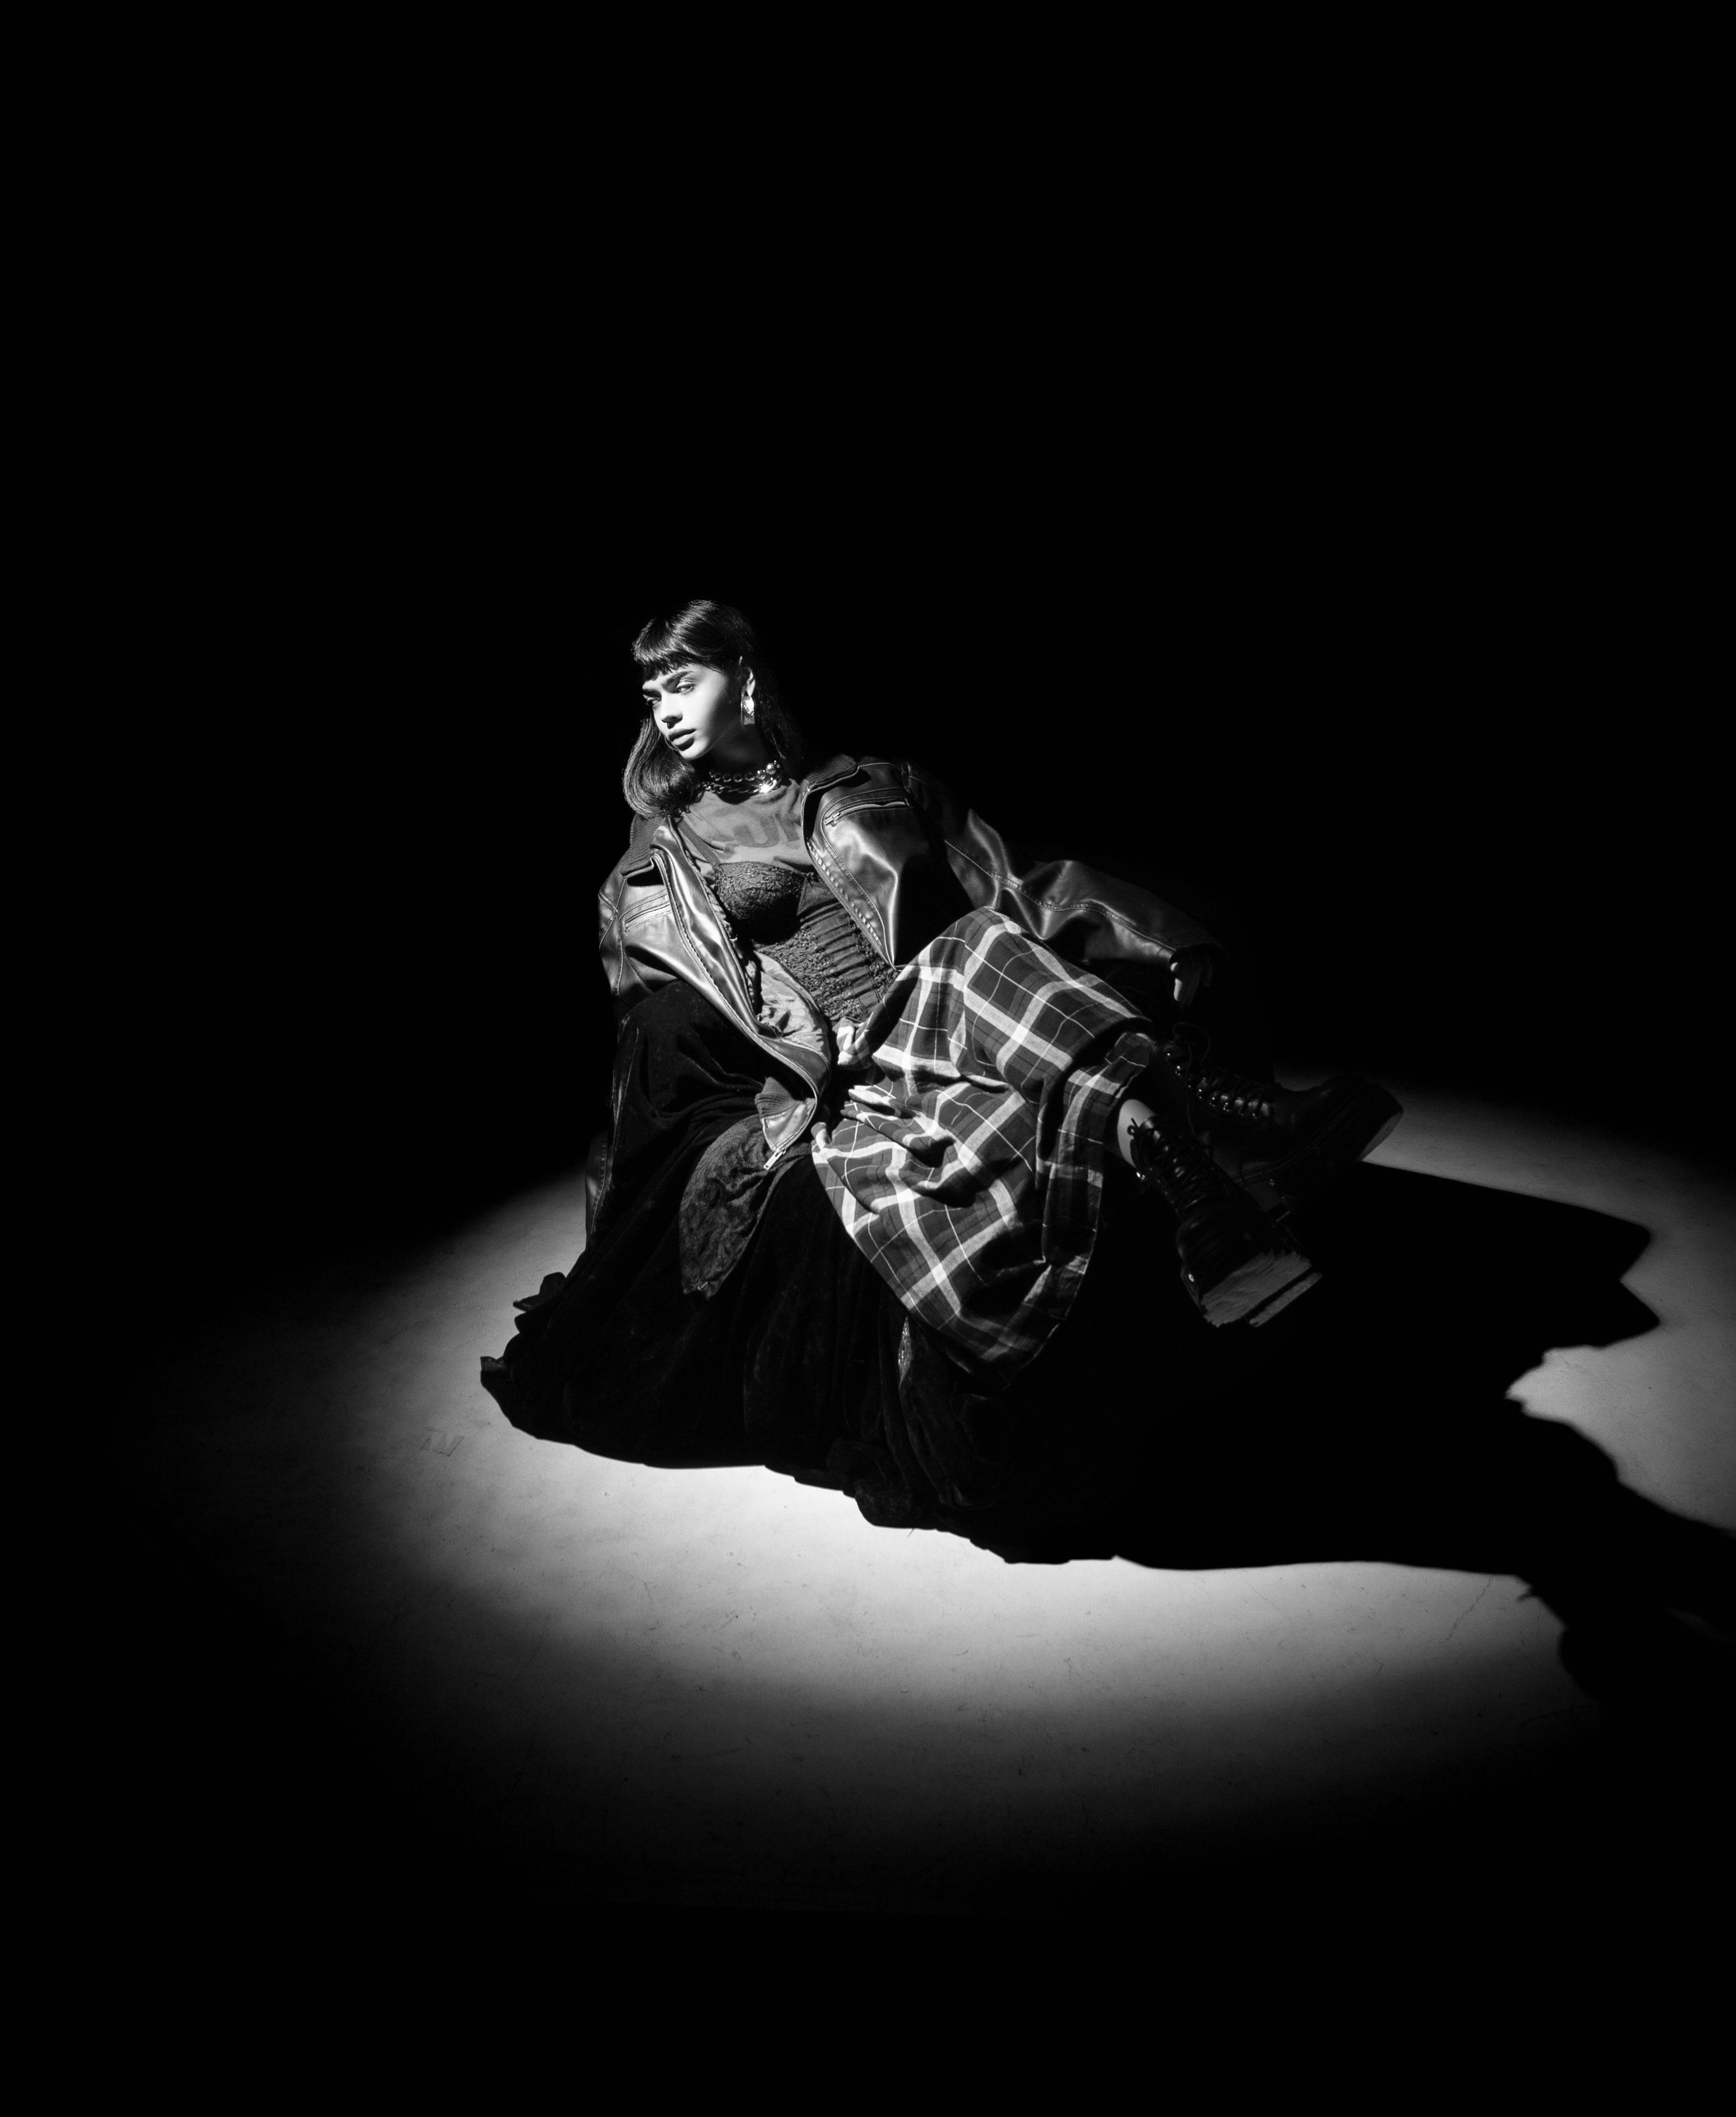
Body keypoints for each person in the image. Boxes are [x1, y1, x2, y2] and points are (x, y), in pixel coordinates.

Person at [480, 600, 1401, 1528]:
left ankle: (1205, 1209)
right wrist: (621, 1217)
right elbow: (644, 1053)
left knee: (973, 948)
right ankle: (1220, 1121)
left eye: (684, 682)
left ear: (746, 677)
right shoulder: (650, 868)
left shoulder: (875, 787)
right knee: (967, 955)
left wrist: (1161, 938)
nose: (665, 710)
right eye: (652, 694)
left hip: (960, 1019)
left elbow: (1017, 881)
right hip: (844, 1067)